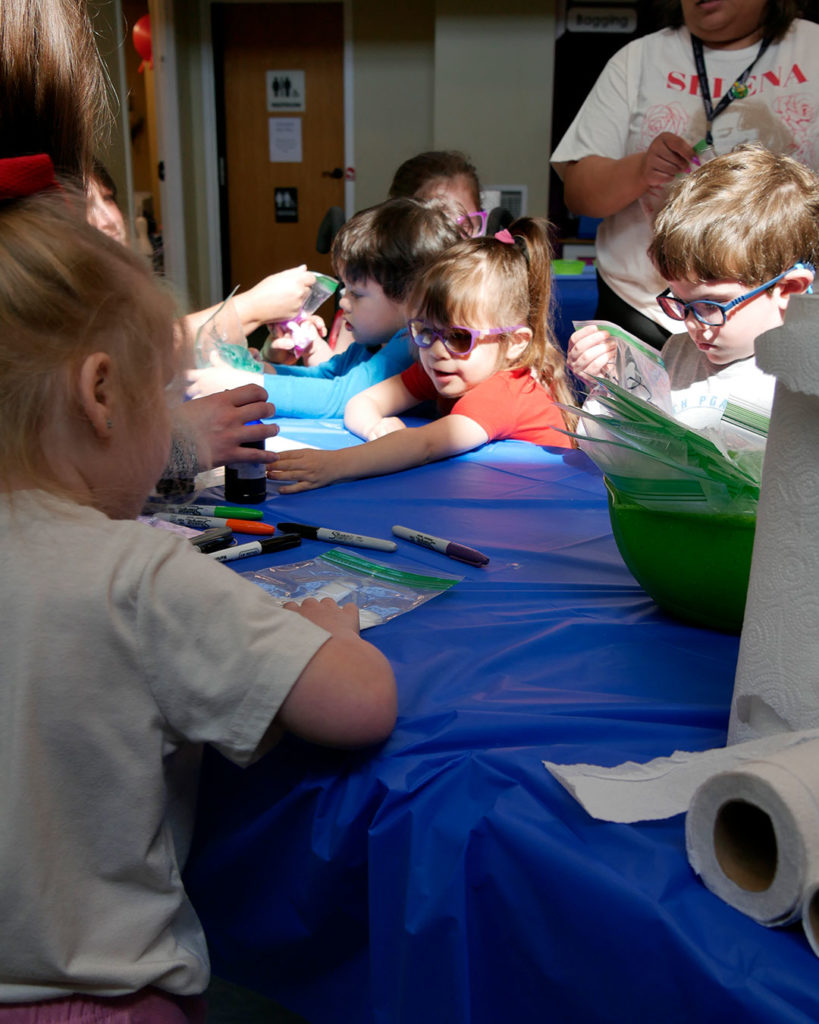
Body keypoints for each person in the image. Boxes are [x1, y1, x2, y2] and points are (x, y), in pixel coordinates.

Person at [0, 161, 396, 1021]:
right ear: (103, 395)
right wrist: (334, 633)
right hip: (101, 998)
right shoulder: (135, 573)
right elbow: (355, 705)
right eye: (167, 396)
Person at [551, 0, 819, 349]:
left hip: (791, 312)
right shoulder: (639, 58)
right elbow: (579, 193)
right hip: (648, 310)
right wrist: (641, 169)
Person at [265, 219, 577, 493]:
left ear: (515, 342)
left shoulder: (504, 391)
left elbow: (424, 445)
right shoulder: (446, 366)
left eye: (458, 336)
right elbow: (361, 402)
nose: (438, 351)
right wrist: (376, 428)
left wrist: (333, 465)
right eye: (425, 331)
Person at [566, 144, 819, 429]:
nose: (692, 324)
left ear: (789, 290)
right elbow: (626, 442)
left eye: (711, 305)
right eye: (681, 303)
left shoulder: (804, 379)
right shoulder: (678, 354)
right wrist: (609, 383)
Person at [187, 197, 466, 418]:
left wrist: (246, 386)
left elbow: (339, 398)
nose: (343, 302)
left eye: (356, 293)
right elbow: (326, 376)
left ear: (412, 299)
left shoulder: (411, 348)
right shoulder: (373, 346)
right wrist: (257, 372)